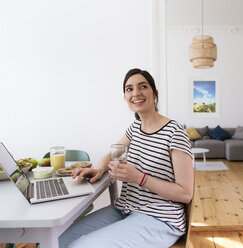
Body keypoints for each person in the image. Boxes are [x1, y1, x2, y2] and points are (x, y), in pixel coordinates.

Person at [59, 68, 194, 248]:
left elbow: (185, 193)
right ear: (125, 97)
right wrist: (99, 168)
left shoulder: (175, 132)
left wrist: (140, 178)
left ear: (155, 94)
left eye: (143, 86)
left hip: (160, 219)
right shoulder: (135, 128)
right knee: (58, 241)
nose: (136, 93)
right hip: (125, 208)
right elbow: (113, 152)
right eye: (129, 89)